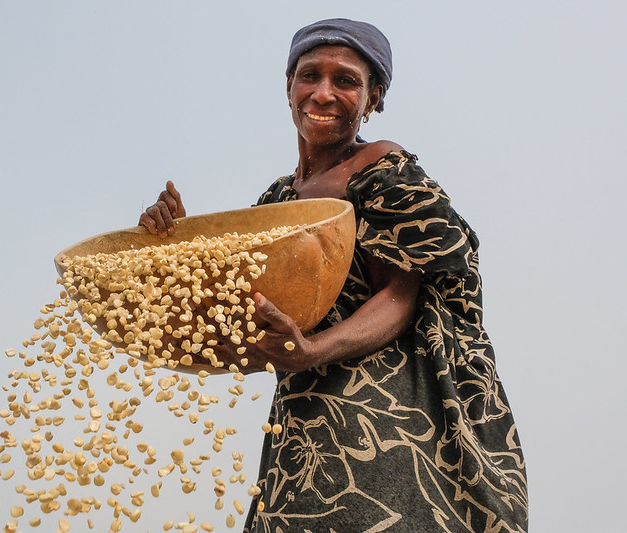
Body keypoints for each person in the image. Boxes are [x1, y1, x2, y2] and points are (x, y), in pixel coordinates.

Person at [139, 18, 528, 533]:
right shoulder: (276, 201)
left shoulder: (381, 169)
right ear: (288, 87)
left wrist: (313, 352)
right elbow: (236, 316)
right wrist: (177, 244)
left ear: (374, 97)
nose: (323, 93)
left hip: (385, 420)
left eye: (345, 80)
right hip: (303, 425)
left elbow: (401, 295)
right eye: (309, 76)